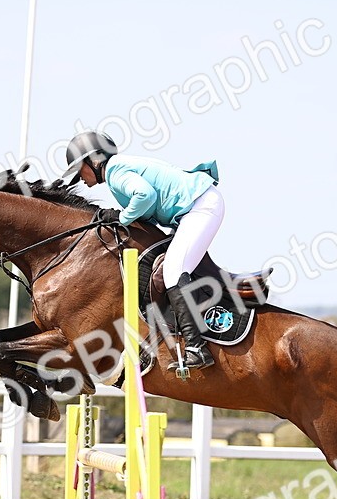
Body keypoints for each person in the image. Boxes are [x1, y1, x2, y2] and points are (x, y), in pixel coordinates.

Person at [60, 130, 222, 372]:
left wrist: (121, 217)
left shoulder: (115, 172)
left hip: (200, 207)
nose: (80, 179)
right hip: (197, 207)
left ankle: (196, 347)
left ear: (94, 160)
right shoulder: (117, 169)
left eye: (79, 169)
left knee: (173, 271)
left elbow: (145, 196)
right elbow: (147, 209)